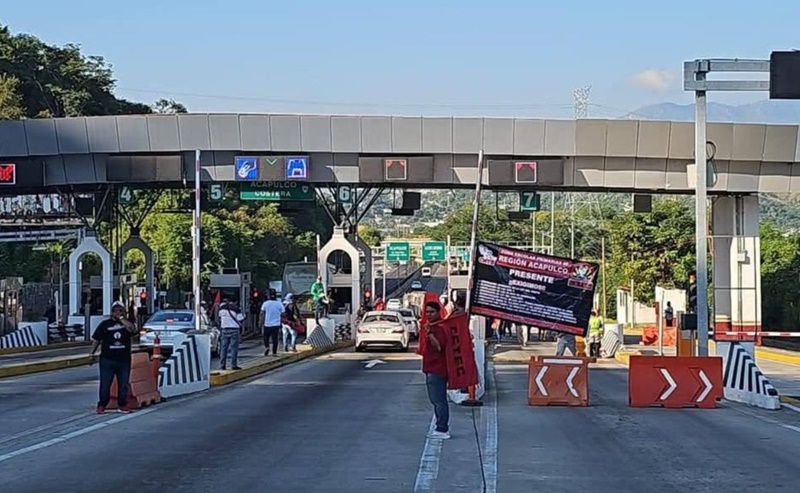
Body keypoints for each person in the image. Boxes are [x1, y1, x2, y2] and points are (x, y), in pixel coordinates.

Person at [91, 301, 138, 414]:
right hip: (107, 359)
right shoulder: (104, 324)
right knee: (105, 384)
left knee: (123, 385)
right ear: (111, 312)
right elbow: (96, 339)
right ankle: (102, 404)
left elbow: (133, 330)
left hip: (123, 360)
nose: (118, 312)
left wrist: (122, 319)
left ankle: (122, 404)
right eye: (115, 310)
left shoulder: (127, 324)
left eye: (120, 310)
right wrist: (91, 353)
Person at [421, 301, 450, 440]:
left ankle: (442, 428)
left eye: (431, 312)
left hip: (437, 369)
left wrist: (430, 333)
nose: (429, 315)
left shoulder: (439, 327)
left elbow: (439, 347)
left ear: (438, 312)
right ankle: (440, 426)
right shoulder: (432, 326)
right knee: (435, 400)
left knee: (439, 400)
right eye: (427, 312)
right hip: (431, 368)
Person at [217, 299, 244, 370]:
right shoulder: (236, 309)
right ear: (235, 302)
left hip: (224, 329)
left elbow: (219, 318)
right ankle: (233, 365)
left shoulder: (221, 309)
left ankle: (222, 365)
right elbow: (241, 319)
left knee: (223, 348)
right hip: (234, 330)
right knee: (234, 348)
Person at [260, 290, 284, 356]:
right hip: (276, 324)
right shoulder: (279, 303)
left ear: (269, 296)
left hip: (267, 324)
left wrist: (260, 322)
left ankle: (267, 346)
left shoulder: (265, 303)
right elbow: (283, 313)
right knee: (275, 338)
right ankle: (274, 352)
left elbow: (262, 313)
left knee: (265, 337)